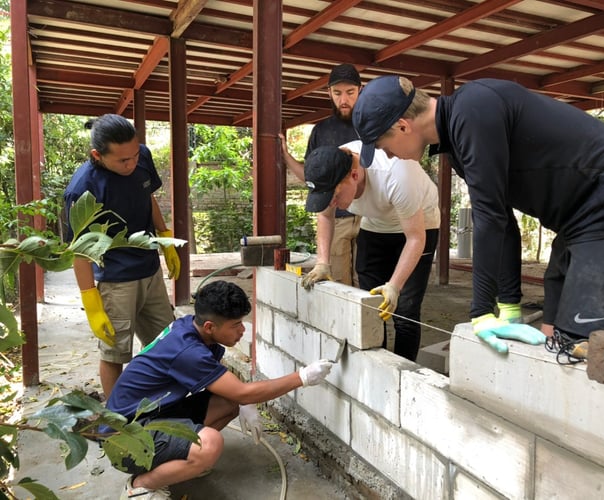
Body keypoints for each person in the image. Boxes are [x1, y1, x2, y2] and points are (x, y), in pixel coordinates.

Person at [351, 74, 604, 357]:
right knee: (553, 332)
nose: (388, 155)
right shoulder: (458, 139)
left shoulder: (474, 107)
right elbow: (502, 221)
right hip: (578, 224)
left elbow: (490, 218)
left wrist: (481, 313)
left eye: (382, 145)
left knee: (595, 346)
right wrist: (509, 305)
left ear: (402, 126)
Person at [102, 280, 332, 499]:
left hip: (148, 416)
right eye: (235, 325)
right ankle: (140, 487)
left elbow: (227, 386)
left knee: (227, 403)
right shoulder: (188, 351)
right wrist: (302, 377)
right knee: (210, 444)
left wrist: (244, 402)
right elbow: (242, 392)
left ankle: (181, 460)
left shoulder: (191, 327)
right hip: (124, 441)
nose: (242, 330)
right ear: (210, 326)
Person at [64, 114, 181, 397]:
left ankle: (159, 405)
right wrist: (91, 299)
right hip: (115, 280)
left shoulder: (140, 156)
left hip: (149, 269)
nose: (132, 164)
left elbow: (147, 196)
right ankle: (116, 422)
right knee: (115, 354)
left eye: (134, 155)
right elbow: (79, 252)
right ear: (97, 155)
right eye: (122, 160)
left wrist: (164, 236)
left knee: (167, 342)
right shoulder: (82, 189)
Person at [301, 140, 440, 361]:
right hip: (375, 223)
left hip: (420, 223)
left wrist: (394, 286)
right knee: (371, 304)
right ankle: (377, 365)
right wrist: (322, 262)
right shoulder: (329, 170)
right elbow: (325, 215)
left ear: (354, 176)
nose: (333, 203)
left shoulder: (397, 172)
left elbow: (415, 238)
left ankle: (403, 372)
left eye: (335, 197)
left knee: (405, 309)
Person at [280, 63, 362, 286]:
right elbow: (312, 179)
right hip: (336, 216)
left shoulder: (373, 125)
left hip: (371, 216)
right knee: (338, 282)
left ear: (360, 90)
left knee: (370, 282)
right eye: (337, 93)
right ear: (329, 93)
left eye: (350, 92)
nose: (343, 99)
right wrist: (286, 156)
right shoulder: (321, 131)